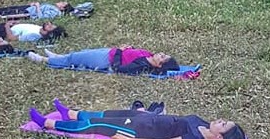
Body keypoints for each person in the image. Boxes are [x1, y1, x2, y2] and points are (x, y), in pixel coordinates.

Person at [29, 99, 246, 139]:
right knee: (109, 112)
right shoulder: (202, 123)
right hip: (146, 118)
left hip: (140, 130)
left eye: (223, 124)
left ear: (219, 138)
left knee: (96, 124)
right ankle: (71, 113)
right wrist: (147, 113)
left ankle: (48, 123)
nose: (220, 120)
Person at [26, 46, 180, 75]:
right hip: (110, 51)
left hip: (107, 59)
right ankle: (59, 57)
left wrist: (120, 51)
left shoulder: (142, 66)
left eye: (162, 57)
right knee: (80, 54)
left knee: (77, 59)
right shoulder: (148, 55)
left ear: (159, 64)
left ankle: (45, 60)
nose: (161, 53)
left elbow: (119, 68)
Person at [0, 1, 73, 24]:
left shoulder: (56, 13)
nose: (60, 2)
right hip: (27, 8)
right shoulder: (53, 7)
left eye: (63, 3)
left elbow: (40, 18)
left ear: (63, 8)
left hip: (25, 13)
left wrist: (37, 7)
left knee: (1, 15)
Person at [0, 18, 66, 43]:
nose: (49, 24)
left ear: (49, 33)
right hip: (11, 27)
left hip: (5, 31)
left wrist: (7, 26)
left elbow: (11, 38)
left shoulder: (34, 35)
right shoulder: (39, 29)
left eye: (51, 27)